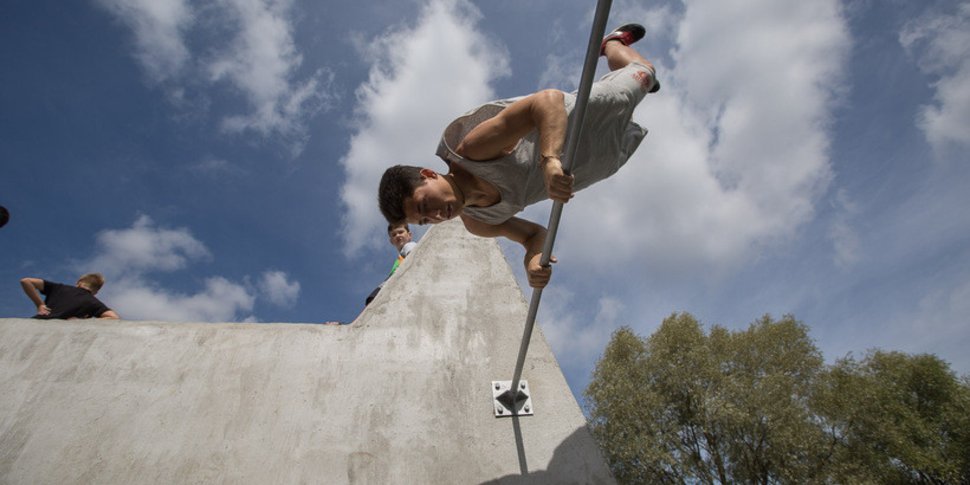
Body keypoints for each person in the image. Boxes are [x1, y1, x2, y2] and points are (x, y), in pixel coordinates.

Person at [377, 24, 659, 289]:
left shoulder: (474, 150)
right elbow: (533, 235)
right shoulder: (478, 222)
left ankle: (612, 45)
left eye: (425, 204)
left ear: (428, 174)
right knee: (638, 98)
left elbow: (547, 100)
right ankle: (625, 65)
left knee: (645, 73)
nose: (437, 216)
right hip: (596, 160)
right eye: (425, 220)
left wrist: (550, 161)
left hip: (583, 120)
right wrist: (532, 262)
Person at [20, 273, 121, 320]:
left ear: (78, 283)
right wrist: (82, 322)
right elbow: (113, 317)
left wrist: (40, 304)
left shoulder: (60, 288)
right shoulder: (93, 302)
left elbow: (26, 281)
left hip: (38, 321)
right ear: (96, 292)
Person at [365, 222, 418, 305]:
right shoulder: (400, 256)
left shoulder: (409, 246)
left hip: (394, 283)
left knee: (373, 300)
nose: (397, 235)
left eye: (400, 232)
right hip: (391, 282)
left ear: (409, 235)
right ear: (391, 241)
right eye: (394, 235)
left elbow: (414, 257)